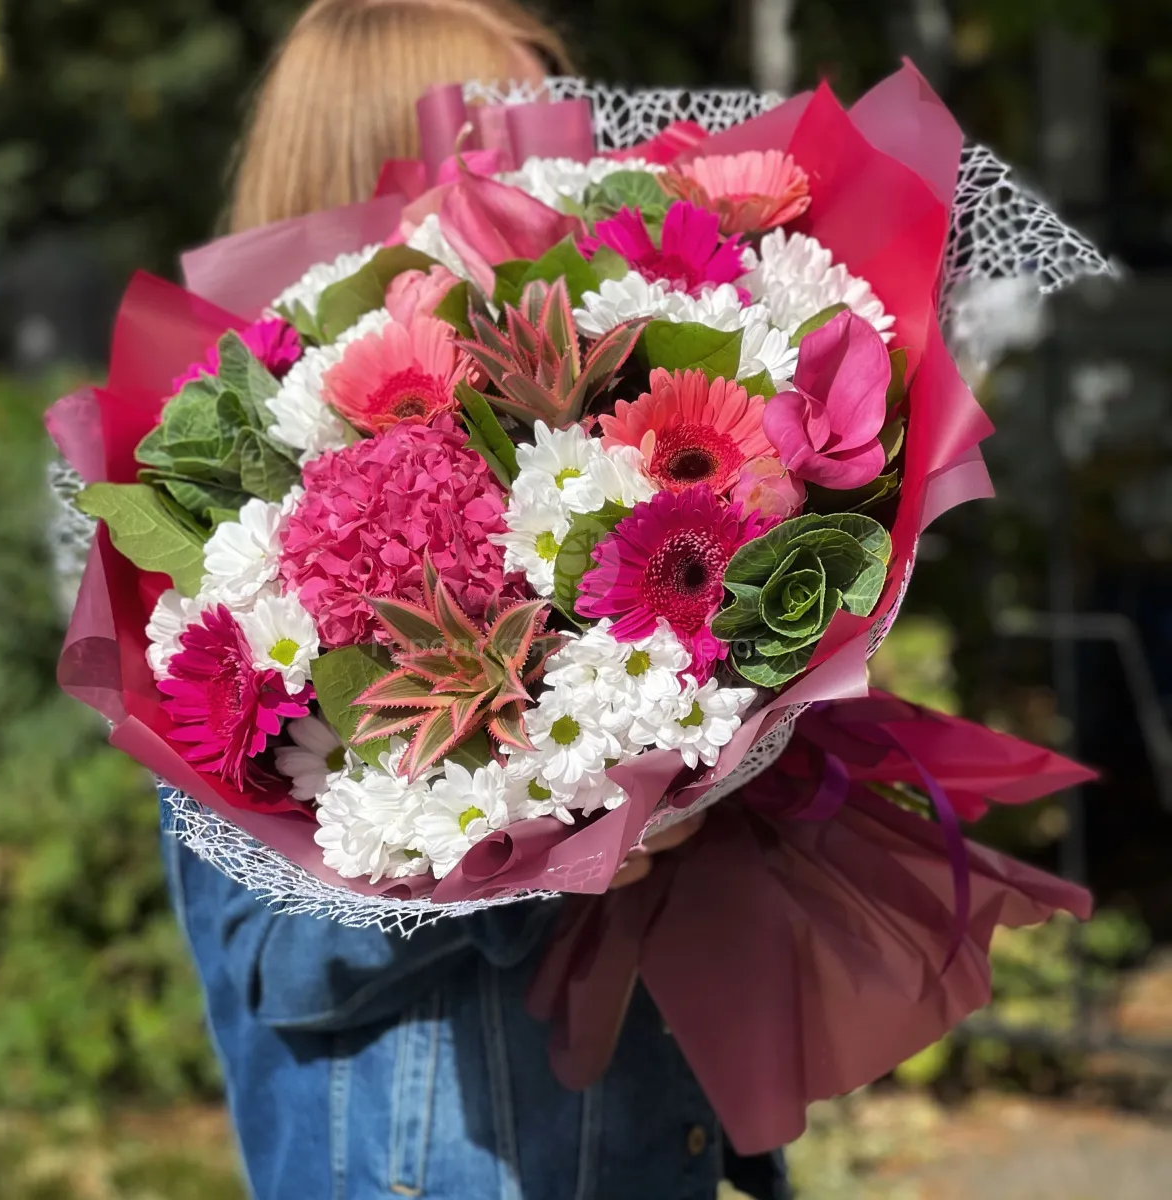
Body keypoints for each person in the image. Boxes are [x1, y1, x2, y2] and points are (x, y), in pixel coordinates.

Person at [163, 3, 794, 1197]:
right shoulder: (239, 550)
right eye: (503, 135)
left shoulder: (570, 448)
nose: (554, 167)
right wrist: (520, 857)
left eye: (559, 124)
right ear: (376, 172)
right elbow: (268, 962)